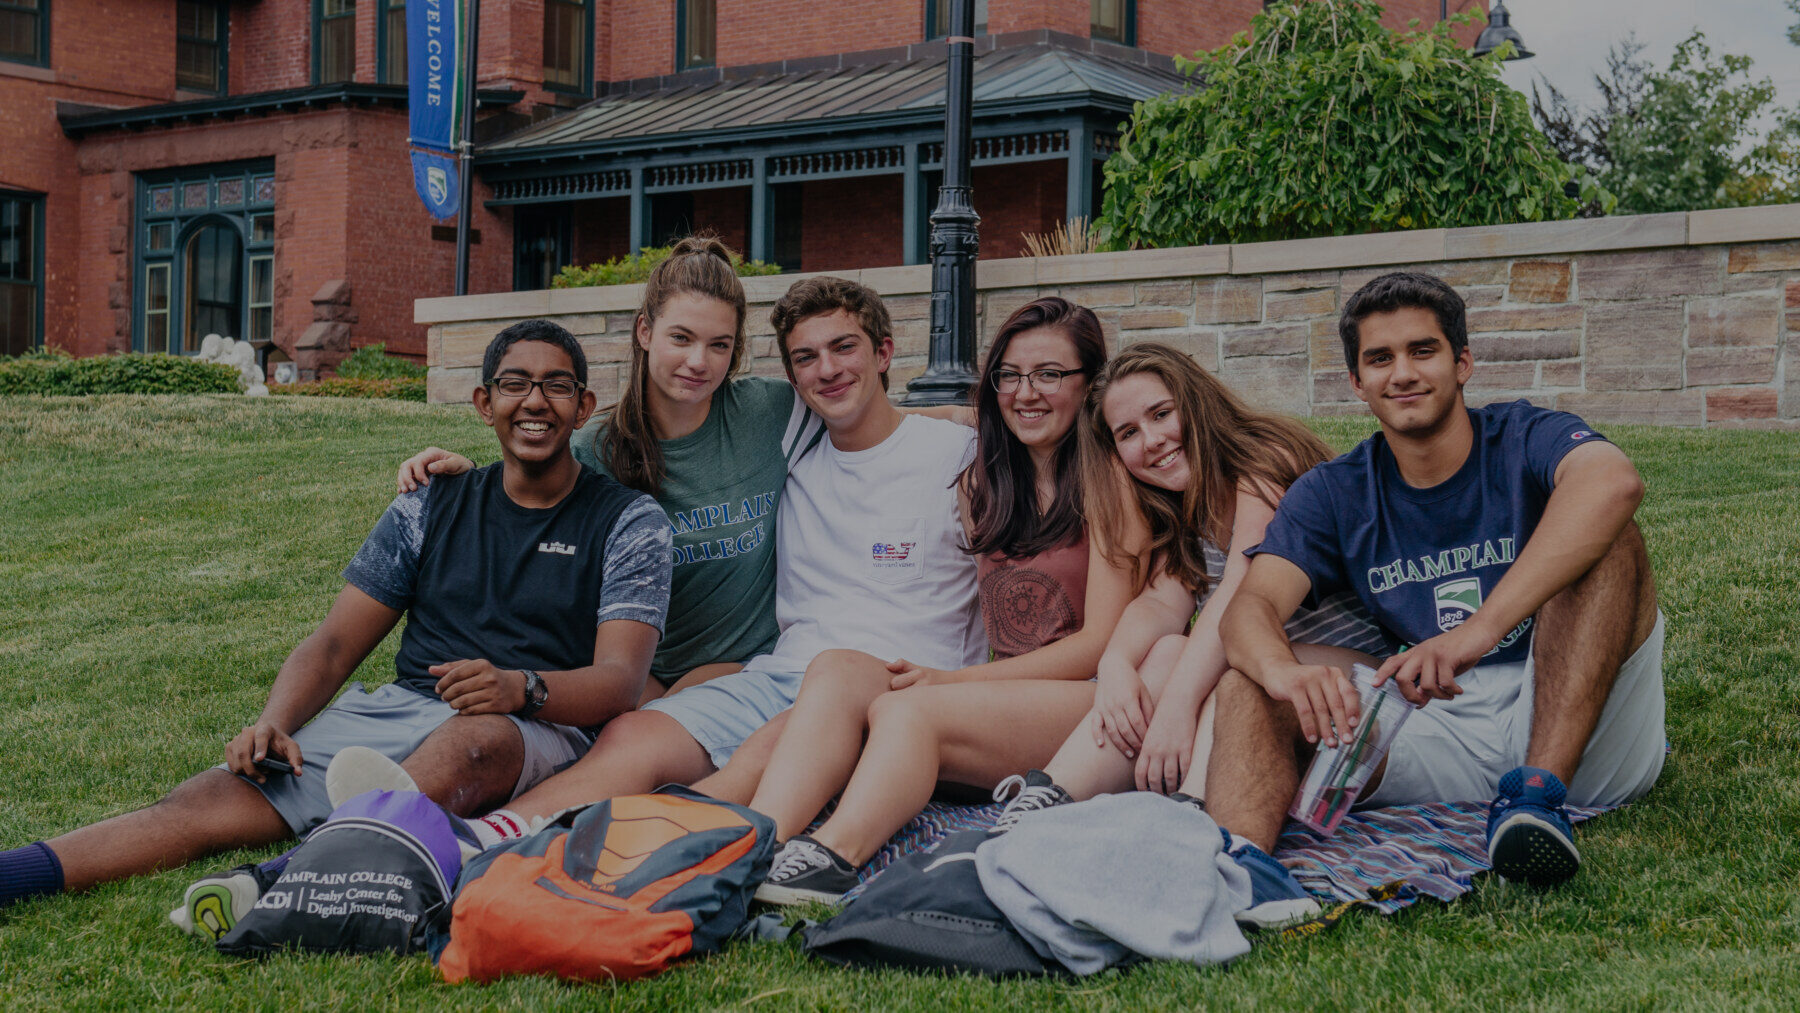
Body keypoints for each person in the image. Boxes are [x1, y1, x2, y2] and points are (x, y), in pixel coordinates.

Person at [0, 321, 672, 933]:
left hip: (534, 724)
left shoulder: (628, 521)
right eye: (515, 384)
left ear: (583, 407)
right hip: (397, 714)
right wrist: (275, 721)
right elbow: (331, 645)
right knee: (206, 798)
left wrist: (520, 687)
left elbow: (620, 682)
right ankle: (15, 874)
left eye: (556, 386)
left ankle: (273, 881)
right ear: (482, 403)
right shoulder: (430, 504)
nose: (534, 401)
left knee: (472, 742)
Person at [337, 275, 987, 850]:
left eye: (844, 349)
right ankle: (477, 840)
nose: (827, 371)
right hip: (765, 674)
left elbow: (899, 431)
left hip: (888, 685)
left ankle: (682, 848)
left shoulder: (945, 453)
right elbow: (538, 477)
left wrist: (974, 424)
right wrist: (459, 477)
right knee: (634, 738)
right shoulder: (776, 439)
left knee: (767, 748)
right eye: (806, 358)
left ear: (884, 353)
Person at [1210, 271, 1664, 893]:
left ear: (1462, 363)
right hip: (1440, 721)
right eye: (1380, 358)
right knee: (1251, 679)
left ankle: (1536, 800)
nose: (1402, 373)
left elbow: (1614, 484)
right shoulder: (1337, 490)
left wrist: (1476, 633)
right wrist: (1282, 673)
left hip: (1581, 719)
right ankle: (1239, 873)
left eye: (1423, 350)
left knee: (1607, 535)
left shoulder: (1524, 436)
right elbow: (1251, 607)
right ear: (1357, 383)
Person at [716, 298, 1143, 905]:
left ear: (1087, 383)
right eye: (1011, 376)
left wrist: (952, 682)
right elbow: (950, 421)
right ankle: (760, 840)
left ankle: (834, 856)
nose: (1027, 393)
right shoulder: (983, 477)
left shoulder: (1109, 483)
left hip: (1096, 707)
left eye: (1050, 375)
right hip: (1004, 703)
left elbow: (1098, 644)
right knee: (838, 667)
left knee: (906, 711)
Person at [397, 235, 823, 707]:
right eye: (680, 338)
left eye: (718, 345)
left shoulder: (770, 412)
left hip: (750, 671)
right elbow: (528, 502)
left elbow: (876, 426)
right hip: (630, 679)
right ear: (645, 331)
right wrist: (472, 476)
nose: (698, 362)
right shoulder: (594, 447)